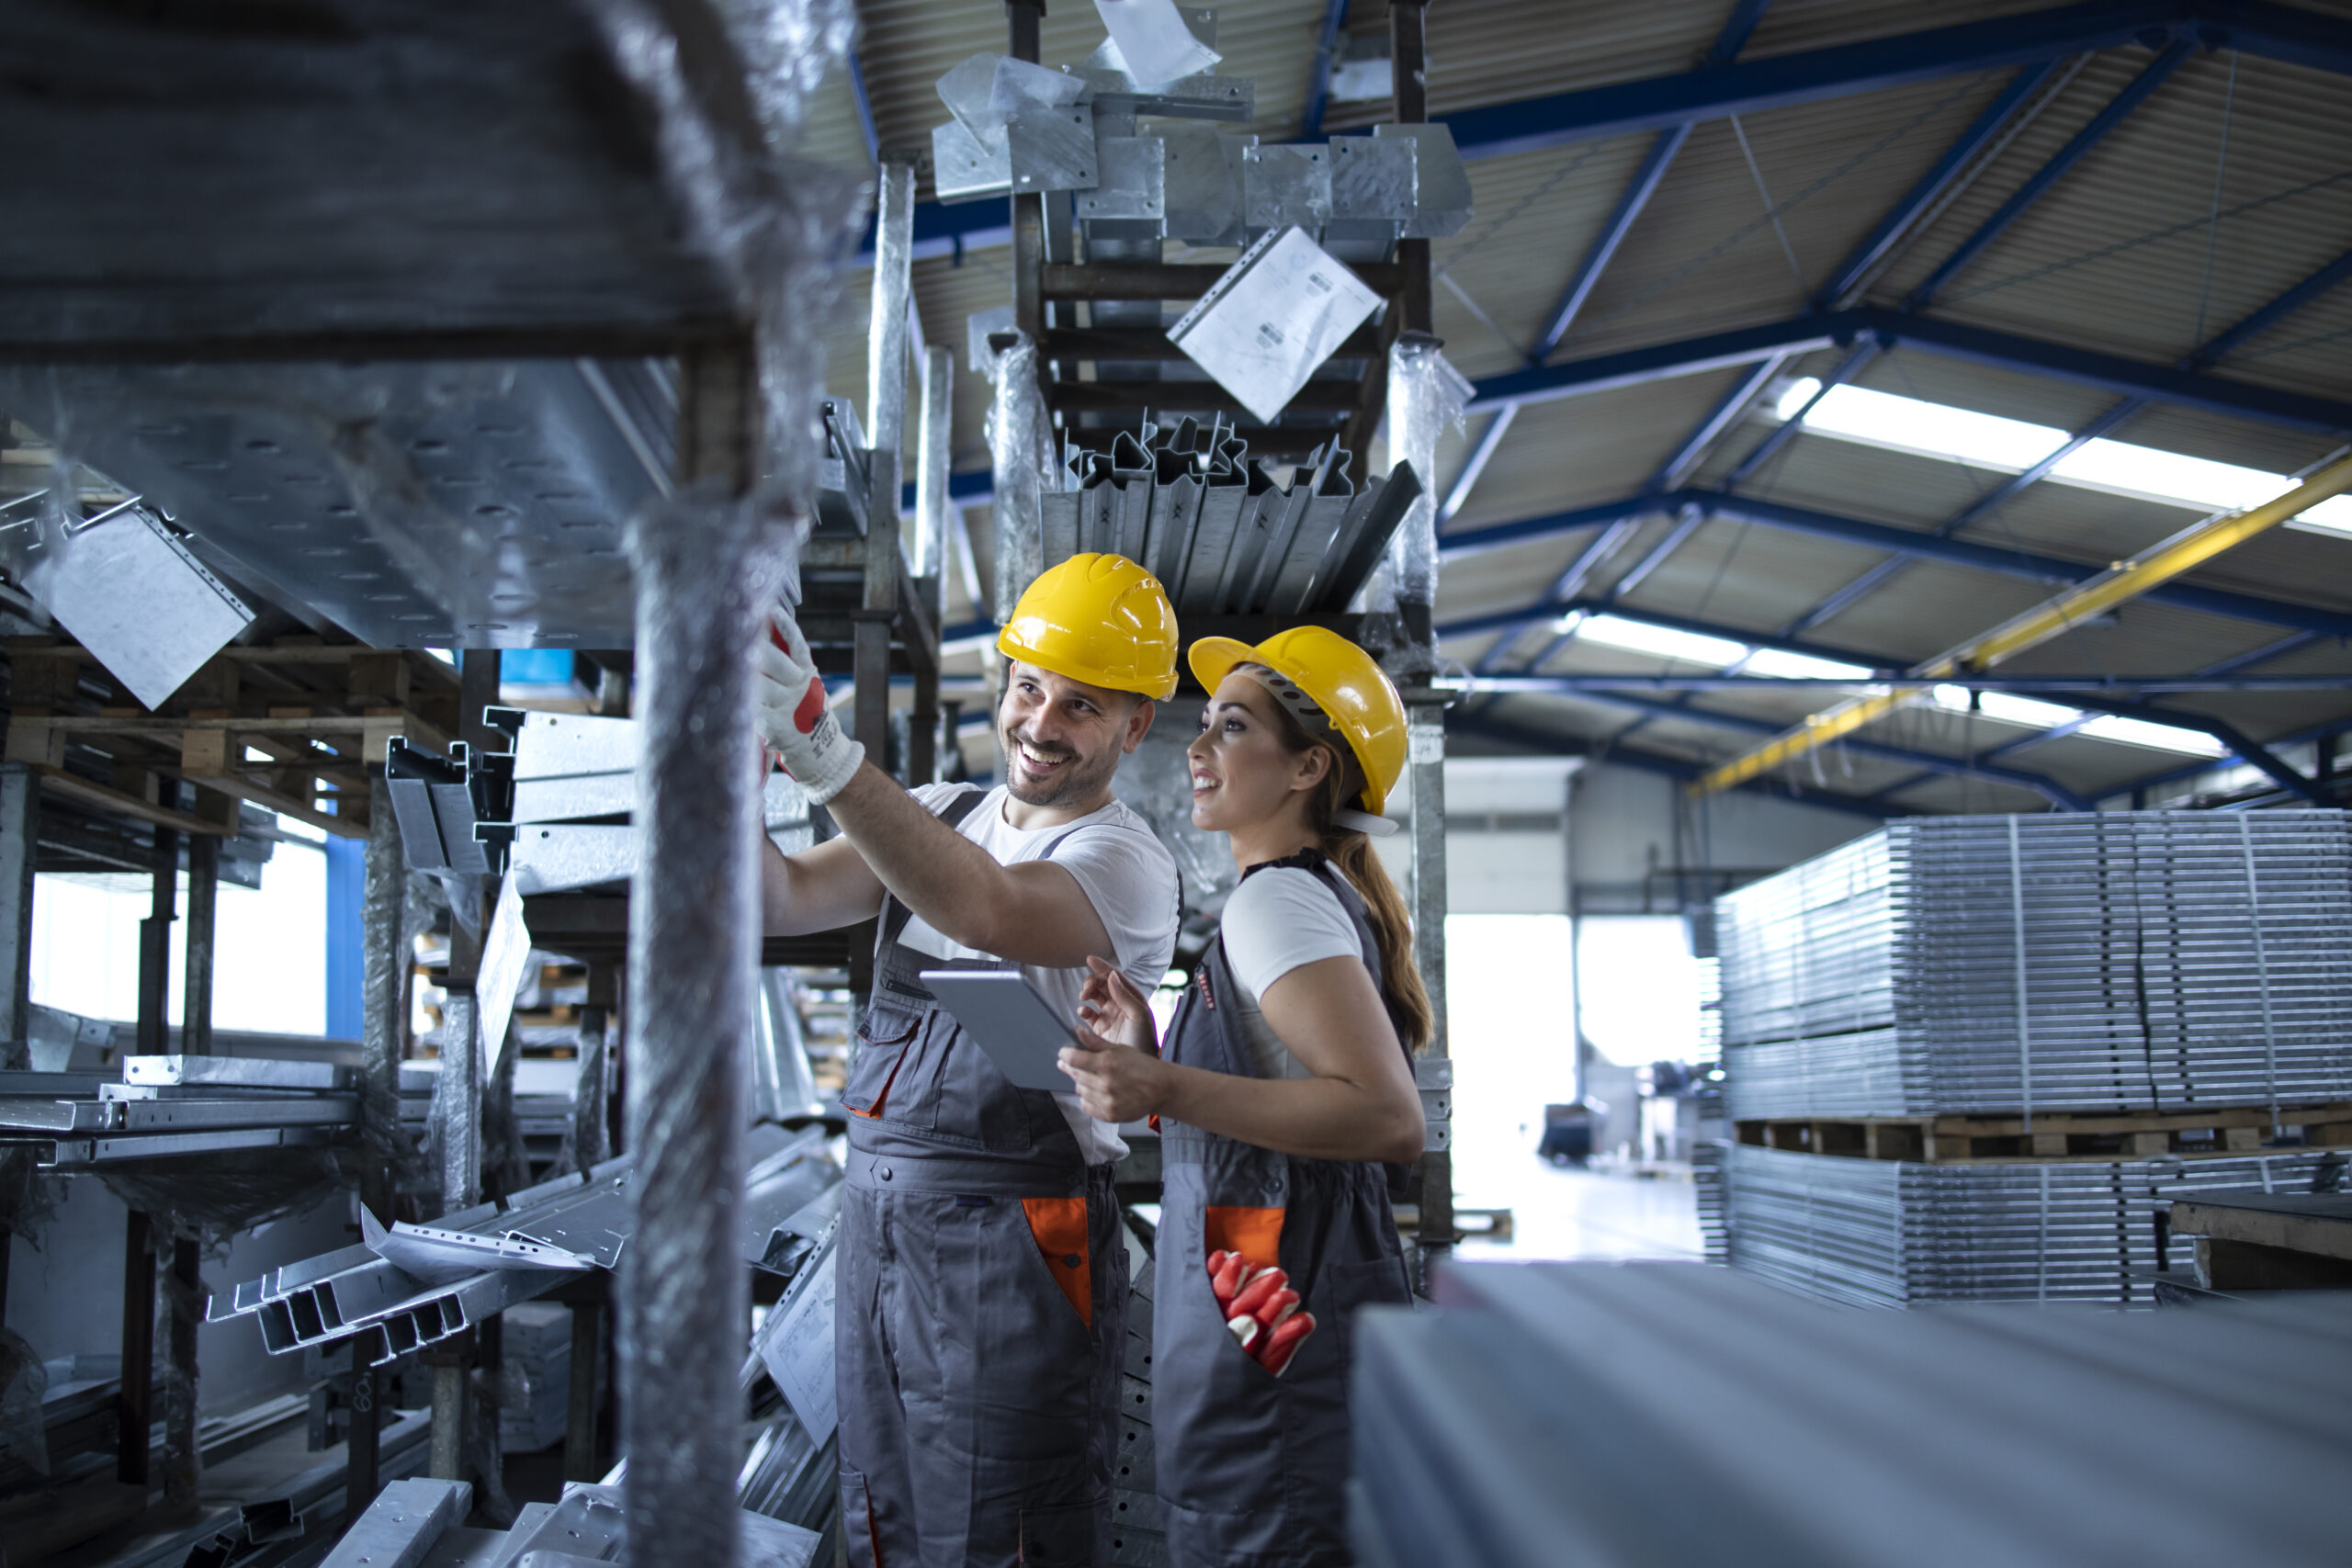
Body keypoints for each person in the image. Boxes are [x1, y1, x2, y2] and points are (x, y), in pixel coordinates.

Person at [753, 552, 1183, 1568]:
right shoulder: (941, 814)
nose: (1039, 725)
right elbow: (774, 900)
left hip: (1016, 1238)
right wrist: (740, 752)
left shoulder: (1125, 863)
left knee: (1003, 1520)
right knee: (882, 1508)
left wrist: (829, 758)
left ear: (1134, 728)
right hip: (878, 1219)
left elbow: (985, 910)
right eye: (1028, 689)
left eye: (1080, 706)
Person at [1057, 626, 1430, 1568]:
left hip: (1279, 1322)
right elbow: (1273, 1104)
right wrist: (1150, 1055)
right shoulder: (1284, 902)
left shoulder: (1277, 904)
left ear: (1307, 767)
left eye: (1232, 725)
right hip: (1261, 1312)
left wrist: (1165, 1081)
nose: (1197, 743)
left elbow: (1386, 1118)